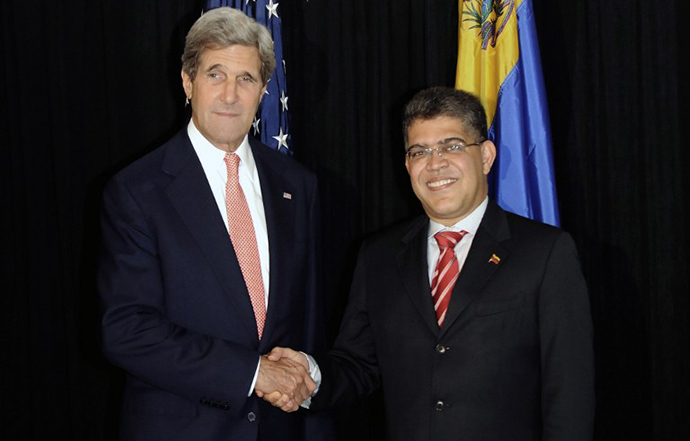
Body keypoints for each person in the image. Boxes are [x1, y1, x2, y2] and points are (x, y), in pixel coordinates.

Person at [267, 87, 595, 440]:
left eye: (452, 146)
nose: (435, 163)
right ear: (408, 165)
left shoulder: (545, 253)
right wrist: (310, 374)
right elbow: (358, 365)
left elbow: (570, 396)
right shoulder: (377, 257)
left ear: (485, 156)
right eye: (420, 151)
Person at [98, 7, 329, 441]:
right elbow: (127, 330)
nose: (229, 95)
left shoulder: (298, 186)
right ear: (188, 83)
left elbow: (308, 324)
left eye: (246, 79)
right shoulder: (136, 191)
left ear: (263, 90)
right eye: (215, 75)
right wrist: (253, 373)